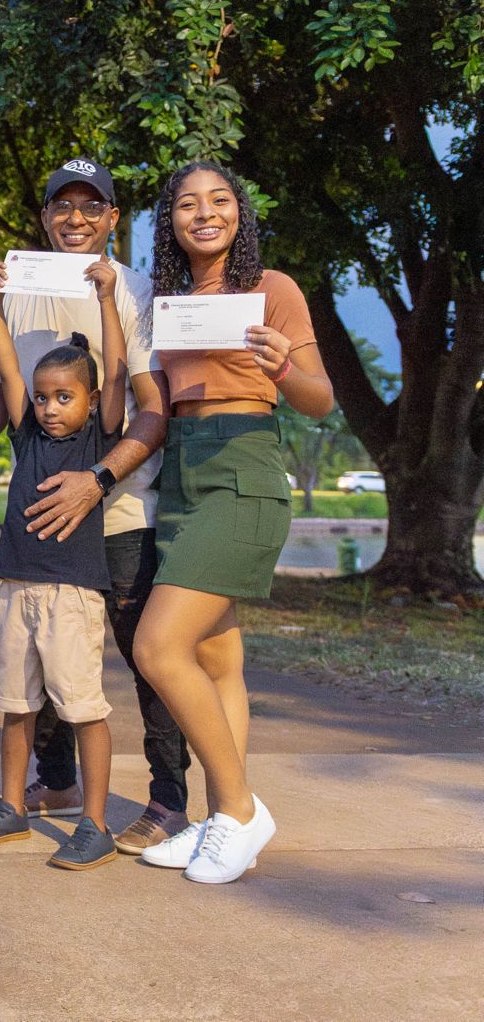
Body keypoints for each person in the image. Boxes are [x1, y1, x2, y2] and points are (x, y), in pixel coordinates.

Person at [0, 158, 184, 855]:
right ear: (43, 216)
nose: (75, 218)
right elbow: (1, 394)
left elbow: (147, 410)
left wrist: (97, 479)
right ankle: (53, 783)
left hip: (117, 510)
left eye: (90, 206)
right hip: (37, 523)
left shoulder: (135, 291)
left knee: (141, 658)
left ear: (113, 218)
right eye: (61, 206)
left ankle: (167, 799)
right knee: (30, 675)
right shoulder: (22, 285)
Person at [131, 161, 332, 883]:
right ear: (171, 222)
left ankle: (242, 809)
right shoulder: (168, 298)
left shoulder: (271, 289)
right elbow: (153, 395)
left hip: (243, 465)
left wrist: (280, 365)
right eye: (187, 204)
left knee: (158, 645)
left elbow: (319, 398)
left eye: (219, 201)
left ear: (240, 214)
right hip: (183, 468)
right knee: (216, 659)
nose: (204, 213)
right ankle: (221, 815)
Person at [0, 256, 127, 871]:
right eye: (45, 396)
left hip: (72, 594)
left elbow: (115, 372)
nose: (52, 407)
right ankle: (11, 808)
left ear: (89, 400)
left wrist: (107, 300)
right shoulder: (27, 434)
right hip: (18, 589)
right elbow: (5, 368)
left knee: (83, 708)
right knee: (16, 704)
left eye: (65, 397)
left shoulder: (97, 438)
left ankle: (97, 824)